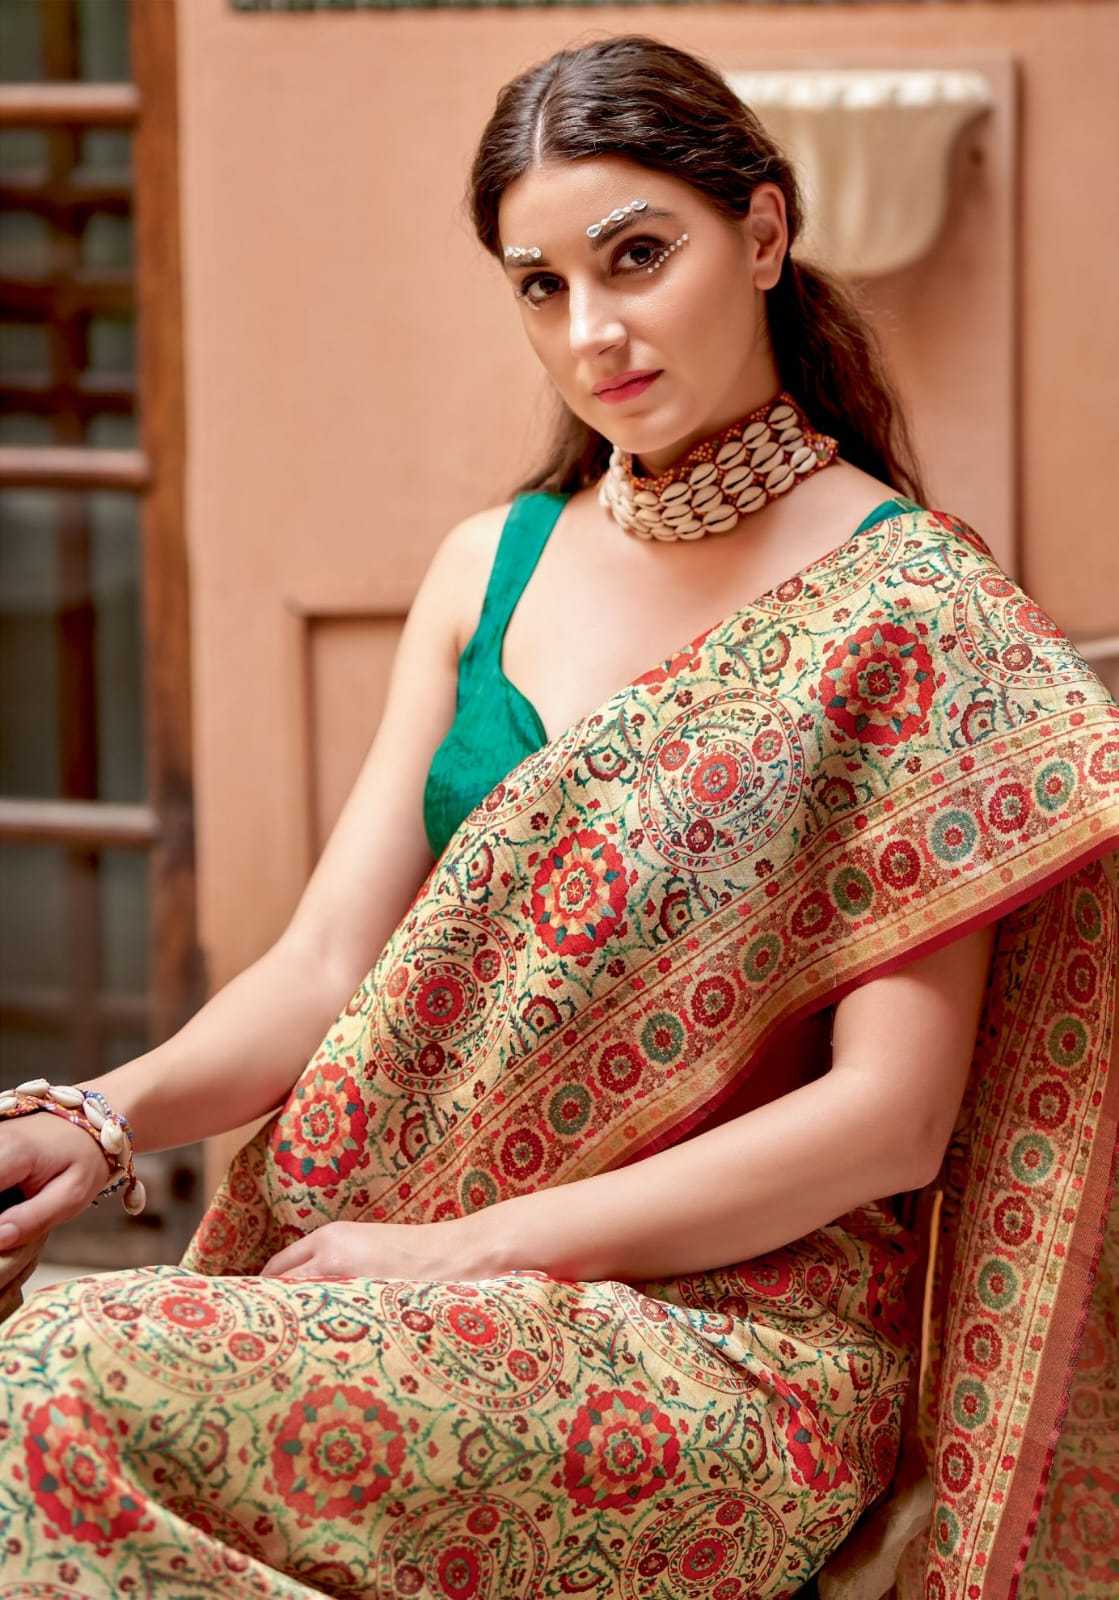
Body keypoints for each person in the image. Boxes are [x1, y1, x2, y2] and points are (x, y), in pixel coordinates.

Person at [1, 33, 1116, 1600]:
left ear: (765, 234)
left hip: (740, 1353)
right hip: (422, 1282)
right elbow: (324, 966)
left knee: (58, 1387)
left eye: (636, 257)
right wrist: (98, 1118)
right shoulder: (492, 567)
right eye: (541, 285)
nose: (593, 330)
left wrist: (468, 1250)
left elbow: (891, 1117)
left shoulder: (916, 617)